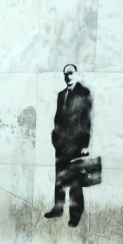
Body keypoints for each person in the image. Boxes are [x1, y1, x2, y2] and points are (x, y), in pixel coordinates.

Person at [44, 63, 94, 227]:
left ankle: (75, 216)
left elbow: (87, 120)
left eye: (71, 73)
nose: (68, 76)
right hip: (61, 145)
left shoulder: (84, 93)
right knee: (60, 179)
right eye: (65, 74)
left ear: (77, 74)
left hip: (77, 145)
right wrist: (54, 136)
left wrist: (86, 145)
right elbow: (57, 119)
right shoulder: (61, 94)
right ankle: (58, 209)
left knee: (74, 182)